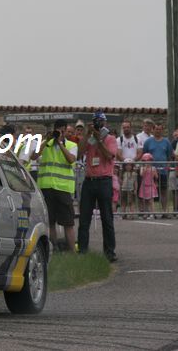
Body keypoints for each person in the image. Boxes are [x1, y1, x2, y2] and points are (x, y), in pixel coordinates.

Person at [77, 111, 118, 262]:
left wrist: (99, 140)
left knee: (107, 218)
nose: (97, 124)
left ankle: (109, 252)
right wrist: (88, 136)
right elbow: (80, 153)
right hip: (89, 180)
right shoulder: (89, 138)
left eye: (100, 122)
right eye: (95, 122)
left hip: (104, 181)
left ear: (105, 123)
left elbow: (109, 156)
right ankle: (82, 251)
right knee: (84, 219)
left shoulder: (110, 139)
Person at [32, 119, 77, 252]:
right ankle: (54, 249)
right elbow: (34, 156)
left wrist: (60, 143)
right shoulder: (46, 144)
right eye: (59, 131)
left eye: (63, 131)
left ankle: (72, 252)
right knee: (50, 221)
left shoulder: (71, 145)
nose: (61, 133)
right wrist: (47, 140)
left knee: (68, 222)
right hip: (47, 187)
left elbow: (71, 159)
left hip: (63, 188)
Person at [142, 124, 174, 215]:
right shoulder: (148, 142)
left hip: (163, 171)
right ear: (153, 130)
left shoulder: (166, 142)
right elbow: (144, 155)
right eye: (156, 129)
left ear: (162, 130)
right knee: (150, 192)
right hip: (150, 172)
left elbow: (169, 155)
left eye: (160, 129)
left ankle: (164, 211)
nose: (158, 131)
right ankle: (150, 212)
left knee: (163, 191)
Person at [138, 153, 158, 219]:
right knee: (145, 201)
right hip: (144, 186)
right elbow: (141, 175)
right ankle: (146, 213)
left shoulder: (153, 168)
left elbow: (156, 177)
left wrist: (154, 172)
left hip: (151, 186)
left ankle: (152, 214)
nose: (147, 162)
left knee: (151, 201)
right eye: (145, 161)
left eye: (149, 160)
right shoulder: (142, 168)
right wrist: (145, 168)